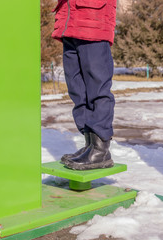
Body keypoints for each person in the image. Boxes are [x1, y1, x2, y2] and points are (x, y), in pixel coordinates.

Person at [52, 0, 117, 170]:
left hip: (93, 23)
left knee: (97, 89)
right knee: (77, 90)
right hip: (69, 22)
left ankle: (100, 149)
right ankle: (90, 144)